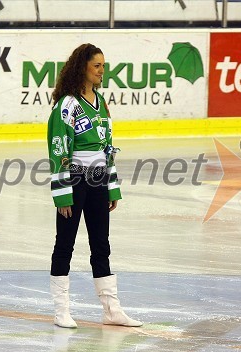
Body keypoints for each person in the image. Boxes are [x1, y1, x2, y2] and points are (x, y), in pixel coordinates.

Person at [47, 43, 142, 328]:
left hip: (99, 179)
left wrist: (112, 186)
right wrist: (62, 193)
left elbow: (107, 147)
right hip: (74, 179)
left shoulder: (102, 103)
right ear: (83, 68)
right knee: (65, 245)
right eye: (97, 66)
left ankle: (111, 309)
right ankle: (61, 310)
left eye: (103, 65)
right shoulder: (67, 105)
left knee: (101, 244)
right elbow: (58, 149)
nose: (102, 71)